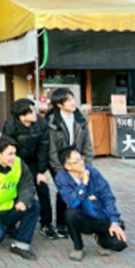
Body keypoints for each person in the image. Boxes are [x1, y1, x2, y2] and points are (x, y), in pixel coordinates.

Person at [56, 146, 128, 261]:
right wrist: (83, 184)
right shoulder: (62, 178)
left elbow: (108, 197)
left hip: (100, 217)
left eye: (81, 158)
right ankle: (78, 247)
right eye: (76, 161)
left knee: (119, 244)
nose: (81, 162)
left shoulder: (93, 172)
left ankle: (101, 239)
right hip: (83, 218)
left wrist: (114, 221)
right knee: (70, 214)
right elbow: (72, 202)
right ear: (67, 166)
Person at [2, 98, 59, 239]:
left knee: (43, 188)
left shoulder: (41, 123)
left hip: (34, 161)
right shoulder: (10, 126)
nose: (35, 114)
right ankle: (10, 225)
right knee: (14, 191)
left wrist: (41, 171)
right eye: (31, 112)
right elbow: (8, 149)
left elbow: (43, 147)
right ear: (22, 116)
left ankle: (46, 224)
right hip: (16, 162)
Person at [47, 88, 94, 237]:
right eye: (68, 100)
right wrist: (59, 170)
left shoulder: (81, 119)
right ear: (59, 105)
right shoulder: (52, 122)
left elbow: (87, 145)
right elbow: (51, 150)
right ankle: (61, 224)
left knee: (82, 188)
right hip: (60, 163)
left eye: (72, 98)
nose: (73, 102)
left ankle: (81, 220)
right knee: (63, 191)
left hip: (78, 162)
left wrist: (87, 165)